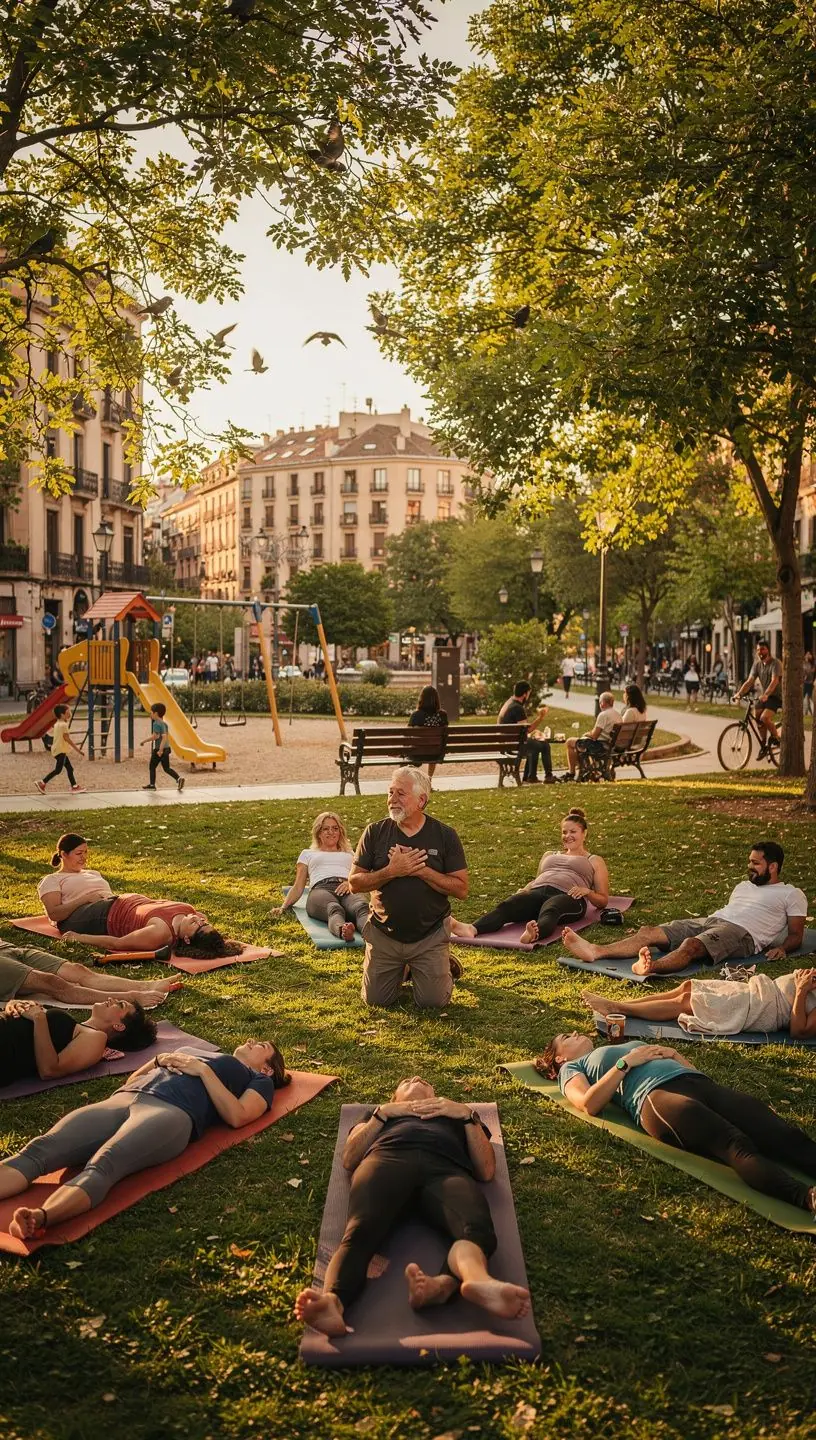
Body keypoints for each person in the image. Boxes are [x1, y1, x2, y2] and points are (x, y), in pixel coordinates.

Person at [293, 1075, 530, 1337]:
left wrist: (465, 1114)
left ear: (435, 1094)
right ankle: (332, 1302)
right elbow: (349, 1159)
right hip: (387, 1159)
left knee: (475, 1228)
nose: (416, 1077)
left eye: (425, 1080)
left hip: (445, 1168)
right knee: (361, 1229)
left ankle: (469, 1282)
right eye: (406, 1080)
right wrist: (383, 1114)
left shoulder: (457, 1114)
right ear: (394, 1097)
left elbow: (486, 1171)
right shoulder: (379, 1113)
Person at [0, 1038, 289, 1238]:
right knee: (39, 1149)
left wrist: (202, 1071)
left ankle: (40, 1218)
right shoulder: (192, 1049)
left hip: (171, 1113)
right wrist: (158, 1060)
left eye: (260, 1046)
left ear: (267, 1068)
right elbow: (131, 1081)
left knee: (105, 1163)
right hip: (124, 1099)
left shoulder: (258, 1080)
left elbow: (238, 1116)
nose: (251, 1041)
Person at [536, 1034, 816, 1213]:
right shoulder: (572, 1068)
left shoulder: (615, 1045)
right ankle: (806, 1197)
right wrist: (626, 1063)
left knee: (780, 1133)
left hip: (697, 1083)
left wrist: (674, 1055)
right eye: (566, 1036)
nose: (575, 1033)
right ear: (560, 1057)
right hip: (656, 1097)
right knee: (736, 1144)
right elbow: (588, 1103)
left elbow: (691, 1070)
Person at [562, 840, 807, 976]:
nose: (749, 867)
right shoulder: (743, 885)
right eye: (749, 862)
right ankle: (595, 951)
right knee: (649, 932)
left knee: (691, 945)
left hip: (743, 934)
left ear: (773, 867)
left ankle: (651, 967)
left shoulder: (791, 894)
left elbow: (796, 934)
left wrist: (783, 949)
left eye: (756, 863)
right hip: (714, 920)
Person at [349, 767, 468, 1008]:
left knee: (433, 1003)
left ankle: (438, 965)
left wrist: (421, 870)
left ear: (421, 800)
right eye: (390, 792)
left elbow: (461, 889)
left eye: (400, 793)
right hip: (384, 933)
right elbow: (354, 883)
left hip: (430, 934)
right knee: (376, 1001)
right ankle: (406, 968)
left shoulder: (445, 835)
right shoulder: (375, 832)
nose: (392, 799)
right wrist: (392, 871)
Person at [450, 808, 610, 946]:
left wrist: (587, 892)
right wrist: (524, 891)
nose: (567, 836)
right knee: (509, 905)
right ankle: (472, 929)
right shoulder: (549, 854)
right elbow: (537, 879)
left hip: (568, 896)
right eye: (564, 832)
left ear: (584, 833)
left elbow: (603, 900)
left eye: (573, 832)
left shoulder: (593, 860)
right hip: (538, 891)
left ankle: (534, 934)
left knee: (551, 908)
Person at [579, 965, 816, 1040]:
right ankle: (621, 1003)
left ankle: (619, 1009)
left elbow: (799, 1031)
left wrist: (802, 990)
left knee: (685, 1002)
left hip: (759, 1008)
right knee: (687, 987)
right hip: (754, 989)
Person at [0, 996, 157, 1088]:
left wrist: (39, 1018)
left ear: (119, 1026)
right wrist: (14, 1005)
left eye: (120, 1004)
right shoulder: (76, 1026)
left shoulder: (96, 1038)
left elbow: (49, 1070)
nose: (111, 999)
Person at [270, 811, 369, 943]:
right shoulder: (308, 854)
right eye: (326, 829)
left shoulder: (350, 853)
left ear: (340, 832)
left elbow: (360, 876)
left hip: (347, 888)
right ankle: (343, 930)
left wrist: (349, 883)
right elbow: (299, 885)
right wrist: (283, 907)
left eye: (335, 828)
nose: (331, 832)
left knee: (361, 906)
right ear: (318, 833)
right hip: (321, 889)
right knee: (334, 908)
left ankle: (371, 935)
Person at [0, 939, 177, 1010]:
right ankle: (131, 997)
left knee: (78, 970)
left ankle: (146, 986)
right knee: (52, 982)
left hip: (8, 948)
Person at [498, 681, 554, 784]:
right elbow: (526, 730)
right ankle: (546, 776)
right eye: (528, 693)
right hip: (514, 745)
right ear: (525, 694)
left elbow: (523, 731)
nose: (528, 696)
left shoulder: (509, 702)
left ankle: (530, 777)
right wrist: (540, 717)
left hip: (506, 742)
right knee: (543, 745)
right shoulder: (517, 708)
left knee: (535, 744)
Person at [733, 639, 782, 753]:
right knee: (757, 717)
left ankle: (777, 738)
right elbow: (750, 681)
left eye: (763, 649)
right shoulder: (757, 665)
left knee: (764, 718)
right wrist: (739, 694)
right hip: (765, 696)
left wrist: (766, 694)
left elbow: (774, 681)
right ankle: (764, 745)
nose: (760, 652)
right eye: (758, 650)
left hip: (776, 697)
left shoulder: (776, 663)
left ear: (768, 650)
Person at [564, 691, 623, 780]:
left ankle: (572, 772)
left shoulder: (603, 715)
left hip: (600, 746)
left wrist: (586, 734)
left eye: (600, 702)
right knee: (580, 744)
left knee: (569, 742)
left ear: (602, 703)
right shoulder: (618, 715)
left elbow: (594, 735)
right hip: (611, 745)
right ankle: (586, 770)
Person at [36, 705, 86, 795]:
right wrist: (78, 750)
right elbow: (67, 739)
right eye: (68, 712)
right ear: (62, 715)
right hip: (60, 751)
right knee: (58, 770)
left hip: (57, 750)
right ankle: (42, 782)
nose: (70, 714)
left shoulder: (57, 724)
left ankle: (74, 786)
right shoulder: (64, 725)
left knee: (70, 768)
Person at [141, 703, 184, 793]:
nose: (150, 715)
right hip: (167, 749)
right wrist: (145, 741)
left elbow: (158, 737)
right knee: (166, 768)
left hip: (159, 749)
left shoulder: (156, 723)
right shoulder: (164, 723)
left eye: (151, 713)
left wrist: (160, 750)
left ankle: (152, 785)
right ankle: (178, 778)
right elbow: (161, 736)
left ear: (156, 714)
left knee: (152, 766)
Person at [407, 684, 448, 779]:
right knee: (434, 746)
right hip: (436, 754)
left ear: (421, 698)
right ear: (437, 699)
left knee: (405, 761)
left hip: (417, 754)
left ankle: (410, 784)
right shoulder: (443, 715)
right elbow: (445, 736)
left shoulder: (416, 715)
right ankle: (429, 781)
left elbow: (407, 736)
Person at [803, 650, 814, 716]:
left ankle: (808, 712)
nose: (808, 655)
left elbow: (811, 672)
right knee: (806, 698)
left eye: (810, 654)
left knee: (809, 698)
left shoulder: (812, 664)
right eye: (807, 654)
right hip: (805, 683)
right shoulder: (803, 663)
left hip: (810, 683)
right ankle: (806, 712)